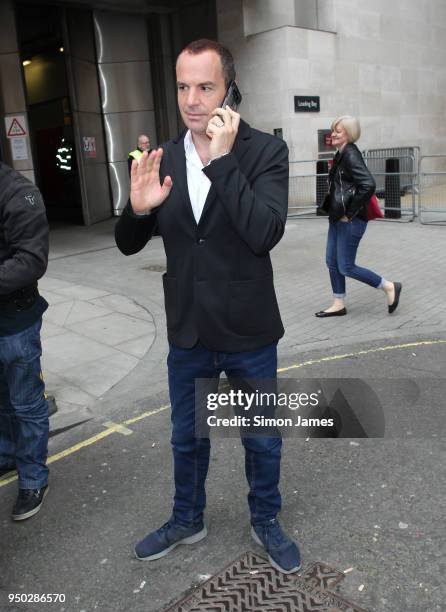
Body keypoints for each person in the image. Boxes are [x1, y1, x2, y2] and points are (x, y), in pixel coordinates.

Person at [115, 39, 301, 574]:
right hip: (189, 329)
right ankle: (186, 518)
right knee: (186, 437)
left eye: (205, 86)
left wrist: (221, 162)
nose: (192, 100)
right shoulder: (165, 158)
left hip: (248, 328)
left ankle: (265, 518)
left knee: (261, 438)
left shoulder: (265, 152)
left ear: (230, 90)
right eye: (182, 86)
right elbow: (129, 243)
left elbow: (264, 232)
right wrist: (136, 209)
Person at [0, 161, 50, 520]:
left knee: (26, 403)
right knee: (3, 400)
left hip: (15, 322)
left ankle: (33, 477)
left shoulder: (20, 193)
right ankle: (7, 456)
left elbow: (31, 261)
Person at [315, 115, 402, 318]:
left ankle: (389, 287)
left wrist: (350, 212)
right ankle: (338, 303)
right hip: (338, 218)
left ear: (349, 134)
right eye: (333, 130)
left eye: (338, 131)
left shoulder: (351, 154)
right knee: (332, 262)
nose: (333, 134)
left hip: (350, 220)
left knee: (346, 266)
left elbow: (368, 184)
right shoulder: (341, 154)